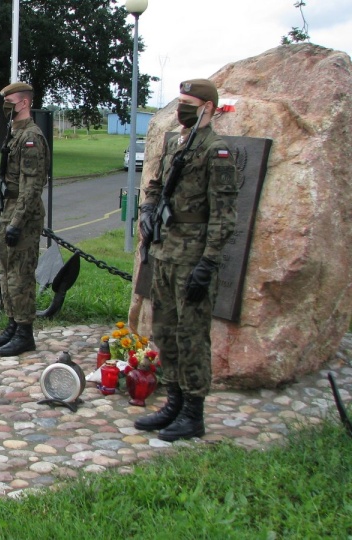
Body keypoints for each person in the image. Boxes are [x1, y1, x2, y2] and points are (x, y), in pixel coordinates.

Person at [135, 79, 239, 442]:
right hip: (164, 252)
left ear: (208, 109)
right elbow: (154, 186)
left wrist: (208, 264)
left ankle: (193, 414)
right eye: (180, 102)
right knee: (164, 332)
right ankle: (173, 402)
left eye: (189, 104)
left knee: (192, 336)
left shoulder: (216, 151)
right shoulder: (174, 143)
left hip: (192, 257)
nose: (182, 110)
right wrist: (148, 210)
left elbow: (224, 217)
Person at [0, 82, 51, 357]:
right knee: (7, 272)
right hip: (9, 208)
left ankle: (25, 332)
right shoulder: (14, 134)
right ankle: (12, 324)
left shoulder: (31, 138)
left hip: (22, 215)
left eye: (9, 101)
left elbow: (33, 186)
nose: (5, 106)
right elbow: (7, 173)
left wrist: (17, 222)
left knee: (21, 275)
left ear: (23, 103)